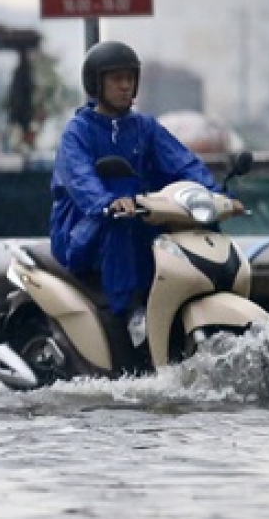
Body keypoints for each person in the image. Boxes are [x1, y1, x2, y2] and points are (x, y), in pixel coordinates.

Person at [49, 40, 240, 364]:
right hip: (84, 225)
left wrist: (216, 196)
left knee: (188, 229)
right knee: (124, 228)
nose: (125, 86)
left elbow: (183, 164)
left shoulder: (145, 128)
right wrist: (107, 203)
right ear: (96, 83)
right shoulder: (77, 133)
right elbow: (82, 180)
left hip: (138, 212)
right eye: (115, 79)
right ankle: (130, 313)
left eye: (129, 78)